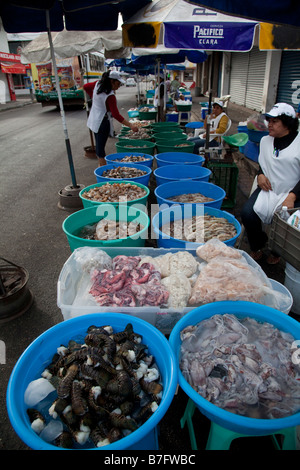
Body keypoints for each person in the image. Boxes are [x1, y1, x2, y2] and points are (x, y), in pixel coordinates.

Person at [241, 103, 300, 264]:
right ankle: (258, 244)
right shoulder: (266, 141)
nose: (270, 124)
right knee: (247, 213)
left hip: (291, 192)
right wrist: (260, 175)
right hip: (268, 190)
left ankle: (276, 251)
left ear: (287, 123)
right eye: (269, 120)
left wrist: (293, 196)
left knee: (283, 225)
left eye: (275, 121)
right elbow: (264, 164)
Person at [85, 71, 138, 166]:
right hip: (102, 122)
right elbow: (116, 114)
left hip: (94, 121)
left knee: (99, 149)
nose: (118, 86)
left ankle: (100, 166)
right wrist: (131, 125)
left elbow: (86, 87)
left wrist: (95, 99)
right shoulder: (110, 96)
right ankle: (103, 171)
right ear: (111, 81)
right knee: (100, 150)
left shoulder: (98, 84)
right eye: (117, 84)